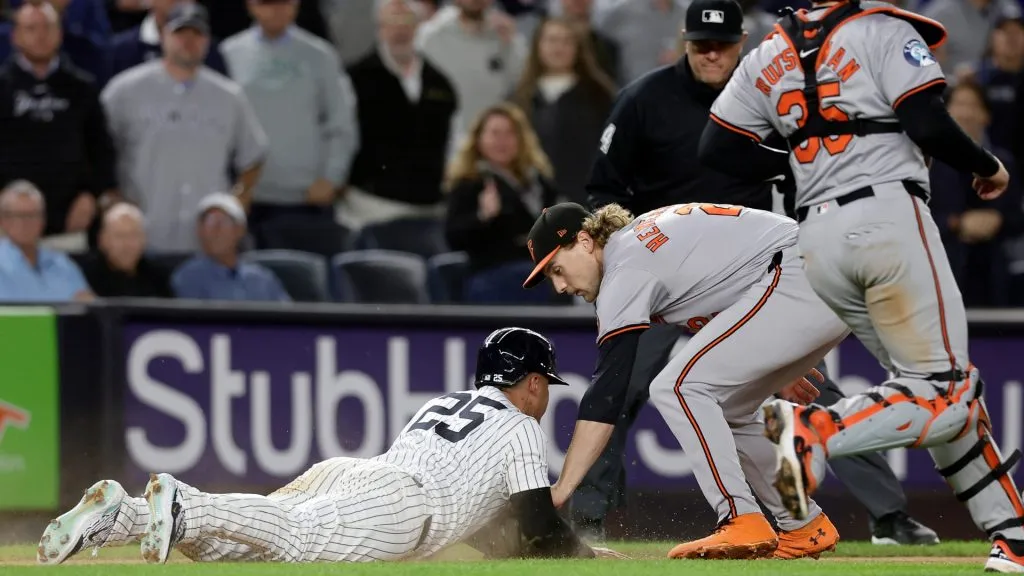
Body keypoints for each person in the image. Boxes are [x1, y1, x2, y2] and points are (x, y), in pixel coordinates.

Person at [576, 0, 936, 545]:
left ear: (743, 42)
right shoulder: (644, 100)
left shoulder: (762, 95)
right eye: (701, 44)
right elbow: (603, 189)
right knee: (628, 387)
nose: (712, 53)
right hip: (658, 278)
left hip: (754, 274)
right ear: (684, 41)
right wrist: (625, 247)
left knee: (808, 394)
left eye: (722, 44)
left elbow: (801, 173)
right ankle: (588, 520)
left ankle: (885, 514)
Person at [698, 0, 1024, 570]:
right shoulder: (880, 27)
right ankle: (813, 430)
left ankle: (1012, 535)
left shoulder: (766, 53)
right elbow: (926, 121)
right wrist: (985, 164)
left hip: (817, 238)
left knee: (933, 390)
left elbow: (717, 150)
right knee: (946, 388)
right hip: (888, 219)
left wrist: (801, 160)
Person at [37, 327, 627, 564]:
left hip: (352, 475)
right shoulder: (520, 425)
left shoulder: (443, 401)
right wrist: (588, 558)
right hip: (400, 504)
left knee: (243, 554)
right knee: (290, 540)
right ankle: (187, 502)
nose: (544, 394)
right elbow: (537, 528)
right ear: (530, 383)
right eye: (543, 383)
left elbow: (484, 524)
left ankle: (119, 516)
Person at [522, 201, 848, 560]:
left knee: (678, 387)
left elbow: (607, 391)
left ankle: (740, 518)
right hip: (815, 270)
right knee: (729, 407)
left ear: (584, 241)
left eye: (556, 268)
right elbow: (731, 275)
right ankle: (803, 525)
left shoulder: (623, 268)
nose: (559, 286)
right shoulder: (638, 242)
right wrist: (774, 347)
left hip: (798, 272)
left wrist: (562, 488)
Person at [101, 2, 268, 252]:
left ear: (207, 41)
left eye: (197, 34)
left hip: (206, 241)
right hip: (144, 237)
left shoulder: (229, 96)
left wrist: (238, 200)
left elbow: (254, 155)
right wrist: (112, 199)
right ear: (164, 36)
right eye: (180, 33)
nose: (188, 42)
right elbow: (96, 149)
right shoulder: (124, 91)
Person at [444, 103, 562, 304]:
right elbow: (453, 237)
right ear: (479, 139)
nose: (502, 141)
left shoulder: (539, 183)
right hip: (492, 273)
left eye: (509, 134)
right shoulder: (470, 182)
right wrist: (483, 216)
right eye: (495, 133)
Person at [510, 16, 616, 205]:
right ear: (537, 46)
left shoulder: (600, 96)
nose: (558, 48)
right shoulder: (519, 98)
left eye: (567, 41)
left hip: (585, 202)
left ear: (578, 49)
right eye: (551, 40)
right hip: (530, 204)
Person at [171, 193, 290, 302]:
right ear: (199, 230)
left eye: (223, 222)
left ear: (240, 230)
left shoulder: (262, 279)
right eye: (209, 222)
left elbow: (288, 319)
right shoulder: (188, 276)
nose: (215, 230)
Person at [0, 180, 94, 302]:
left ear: (43, 220)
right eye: (19, 215)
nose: (25, 223)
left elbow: (90, 308)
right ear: (3, 220)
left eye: (32, 215)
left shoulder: (64, 266)